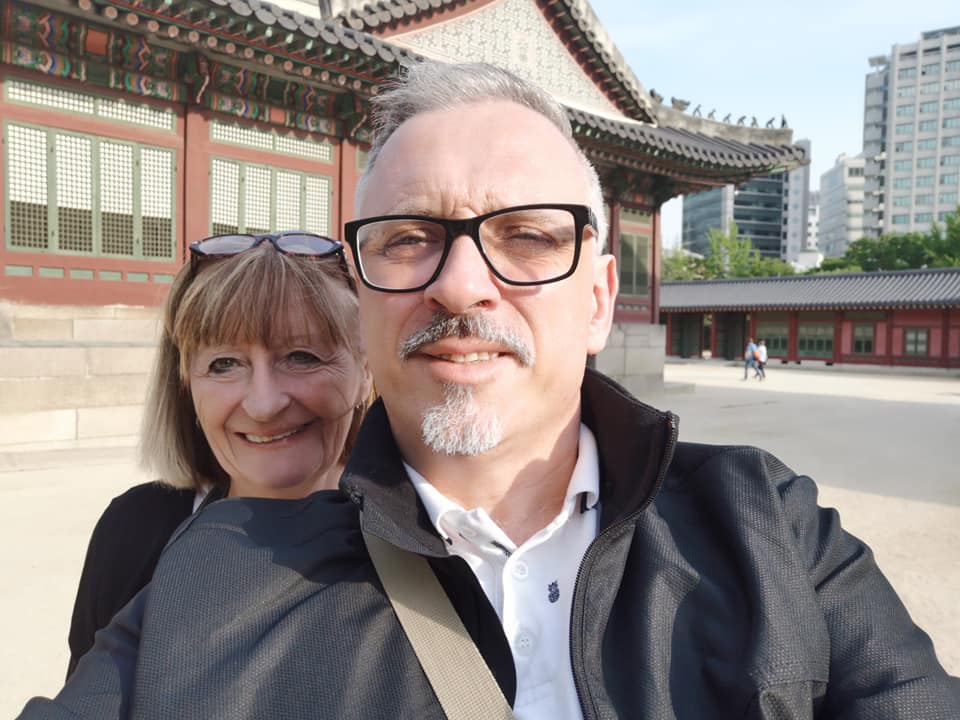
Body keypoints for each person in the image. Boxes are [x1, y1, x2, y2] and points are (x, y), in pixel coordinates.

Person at [21, 62, 960, 719]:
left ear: (600, 300)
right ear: (364, 305)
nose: (463, 284)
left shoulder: (766, 527)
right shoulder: (221, 570)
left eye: (529, 236)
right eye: (407, 239)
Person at [65, 230, 371, 676]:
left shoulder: (418, 538)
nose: (263, 404)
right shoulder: (134, 532)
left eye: (302, 357)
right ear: (186, 382)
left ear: (366, 370)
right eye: (224, 364)